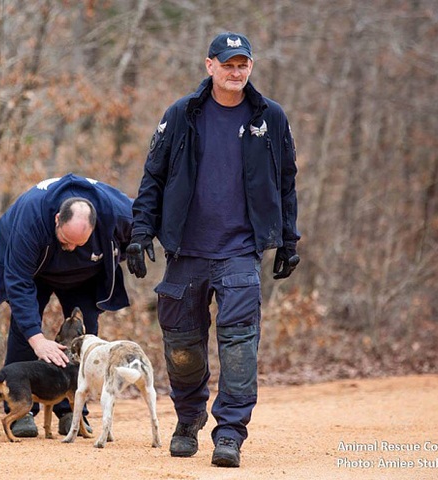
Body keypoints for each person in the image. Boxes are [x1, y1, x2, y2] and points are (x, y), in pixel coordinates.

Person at [127, 32, 301, 468]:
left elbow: (286, 182)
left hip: (240, 251)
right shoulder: (182, 114)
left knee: (240, 343)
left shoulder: (270, 118)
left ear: (251, 68)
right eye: (227, 64)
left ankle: (229, 434)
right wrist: (140, 232)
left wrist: (287, 239)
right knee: (182, 344)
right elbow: (154, 177)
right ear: (210, 66)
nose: (235, 71)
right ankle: (188, 420)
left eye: (243, 64)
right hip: (187, 250)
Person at [0, 173, 133, 437]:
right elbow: (18, 281)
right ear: (57, 219)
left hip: (84, 275)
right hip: (33, 272)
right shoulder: (30, 219)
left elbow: (149, 217)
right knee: (25, 331)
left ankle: (72, 412)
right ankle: (22, 412)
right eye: (66, 241)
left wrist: (137, 244)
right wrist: (37, 339)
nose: (70, 248)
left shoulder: (117, 212)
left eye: (79, 243)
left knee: (86, 336)